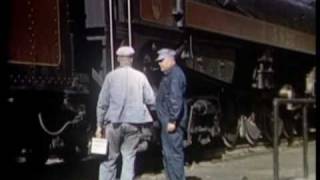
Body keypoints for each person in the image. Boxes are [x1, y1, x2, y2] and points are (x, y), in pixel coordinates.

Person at [95, 46, 155, 180]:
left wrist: (99, 126)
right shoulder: (141, 76)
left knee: (109, 160)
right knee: (129, 159)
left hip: (113, 124)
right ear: (132, 59)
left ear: (118, 59)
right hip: (134, 125)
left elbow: (102, 104)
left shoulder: (110, 77)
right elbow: (151, 100)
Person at [155, 48, 188, 180]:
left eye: (162, 60)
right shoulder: (170, 75)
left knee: (173, 155)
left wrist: (173, 120)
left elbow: (175, 99)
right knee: (168, 155)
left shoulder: (175, 75)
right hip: (167, 121)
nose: (159, 64)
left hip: (172, 123)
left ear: (170, 60)